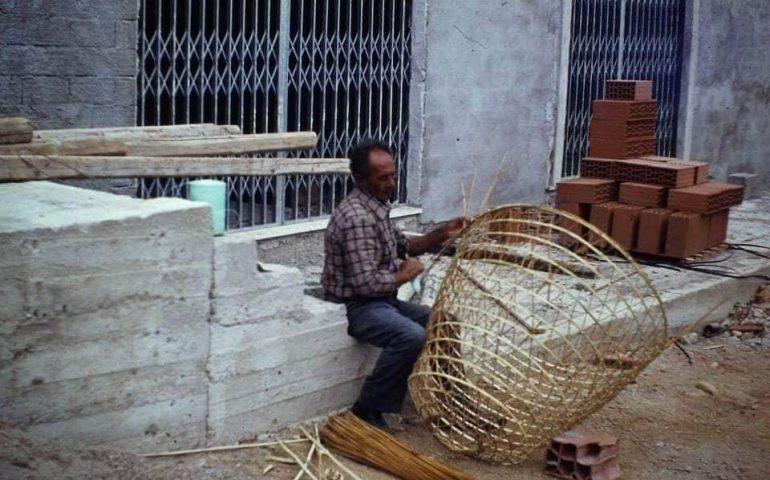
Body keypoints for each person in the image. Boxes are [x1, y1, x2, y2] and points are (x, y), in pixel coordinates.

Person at [322, 139, 466, 428]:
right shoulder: (357, 218)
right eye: (382, 178)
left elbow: (406, 247)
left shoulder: (375, 208)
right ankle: (367, 408)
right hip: (357, 306)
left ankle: (452, 398)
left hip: (381, 301)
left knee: (443, 321)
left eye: (393, 175)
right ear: (362, 180)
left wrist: (442, 233)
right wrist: (405, 275)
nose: (391, 183)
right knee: (411, 336)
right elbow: (365, 285)